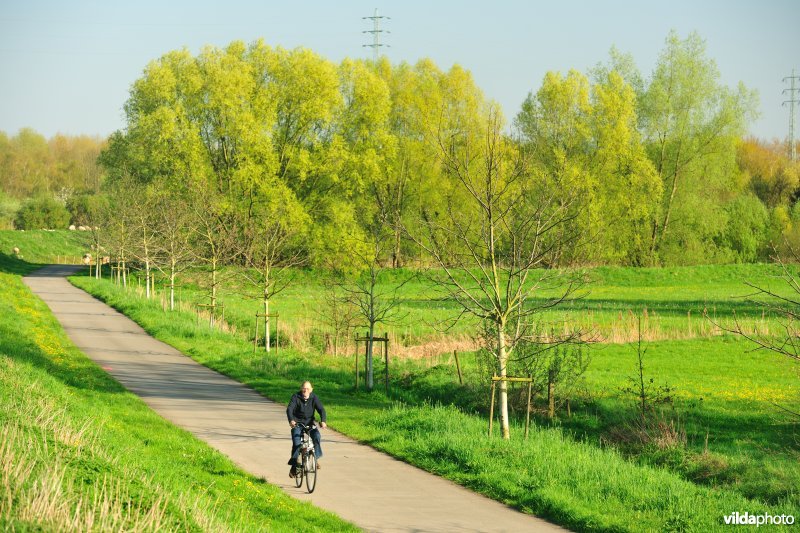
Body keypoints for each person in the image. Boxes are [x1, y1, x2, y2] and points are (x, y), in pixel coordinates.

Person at [286, 380, 327, 478]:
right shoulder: (296, 397)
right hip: (297, 424)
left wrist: (323, 421)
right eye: (304, 388)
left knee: (317, 436)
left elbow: (321, 409)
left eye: (308, 389)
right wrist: (291, 420)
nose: (305, 390)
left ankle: (315, 458)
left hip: (309, 423)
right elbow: (289, 409)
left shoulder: (314, 398)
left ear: (311, 390)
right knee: (297, 444)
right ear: (301, 389)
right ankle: (295, 466)